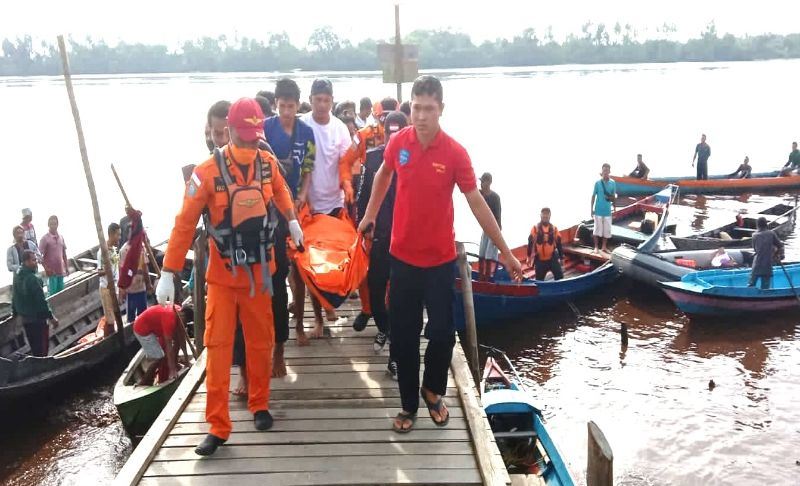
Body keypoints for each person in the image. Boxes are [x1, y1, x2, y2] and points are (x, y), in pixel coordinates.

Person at [358, 75, 523, 433]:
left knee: (444, 333)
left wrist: (507, 253)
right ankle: (407, 406)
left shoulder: (455, 153)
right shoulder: (399, 143)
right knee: (403, 336)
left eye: (428, 109)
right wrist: (369, 215)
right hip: (401, 258)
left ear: (441, 110)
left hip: (439, 261)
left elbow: (476, 202)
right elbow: (384, 173)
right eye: (415, 108)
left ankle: (432, 389)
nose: (420, 116)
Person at [156, 97, 303, 456]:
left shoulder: (267, 165)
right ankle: (218, 425)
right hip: (222, 279)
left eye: (256, 136)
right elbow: (184, 223)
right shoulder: (205, 173)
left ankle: (260, 404)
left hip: (260, 275)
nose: (252, 143)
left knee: (261, 341)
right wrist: (169, 272)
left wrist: (293, 218)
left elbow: (282, 191)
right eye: (245, 136)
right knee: (219, 350)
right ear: (229, 132)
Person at [264, 77, 316, 371]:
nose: (286, 111)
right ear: (275, 105)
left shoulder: (306, 132)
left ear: (298, 106)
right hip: (269, 207)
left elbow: (308, 169)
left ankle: (298, 323)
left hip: (295, 206)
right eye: (282, 106)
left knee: (298, 267)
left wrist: (301, 197)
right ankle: (275, 333)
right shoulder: (266, 129)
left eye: (291, 106)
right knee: (276, 269)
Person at [353, 111, 407, 379]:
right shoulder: (373, 157)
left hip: (407, 241)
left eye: (399, 133)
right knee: (375, 293)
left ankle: (396, 357)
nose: (394, 138)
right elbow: (363, 195)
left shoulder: (416, 157)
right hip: (380, 237)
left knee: (400, 299)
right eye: (390, 133)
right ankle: (383, 327)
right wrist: (362, 225)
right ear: (383, 133)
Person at [300, 78, 353, 334]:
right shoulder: (302, 125)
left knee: (334, 261)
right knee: (311, 265)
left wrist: (348, 185)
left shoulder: (340, 128)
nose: (322, 105)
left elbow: (346, 163)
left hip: (334, 203)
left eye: (326, 100)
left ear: (332, 101)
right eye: (317, 99)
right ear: (310, 100)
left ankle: (330, 302)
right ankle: (319, 318)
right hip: (309, 205)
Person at [11, 250, 58, 357]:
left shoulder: (17, 276)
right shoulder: (33, 279)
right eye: (34, 260)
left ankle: (38, 363)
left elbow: (14, 296)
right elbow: (41, 302)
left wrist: (14, 313)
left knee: (35, 348)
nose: (36, 262)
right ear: (26, 262)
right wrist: (52, 318)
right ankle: (43, 367)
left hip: (26, 321)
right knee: (42, 350)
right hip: (38, 321)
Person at [133, 303, 191, 385]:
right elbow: (169, 345)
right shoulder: (170, 318)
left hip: (156, 328)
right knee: (158, 357)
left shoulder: (178, 312)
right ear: (182, 315)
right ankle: (144, 382)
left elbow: (182, 338)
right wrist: (172, 370)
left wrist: (186, 359)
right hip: (142, 329)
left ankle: (174, 363)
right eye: (185, 321)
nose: (184, 324)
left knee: (177, 339)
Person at [119, 237, 151, 325]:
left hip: (132, 288)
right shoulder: (139, 248)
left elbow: (121, 270)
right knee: (142, 315)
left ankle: (134, 328)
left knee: (131, 318)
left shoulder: (124, 249)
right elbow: (145, 268)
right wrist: (149, 284)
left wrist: (122, 289)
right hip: (136, 288)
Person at [527, 208, 564, 280]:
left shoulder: (554, 229)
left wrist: (561, 257)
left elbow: (559, 244)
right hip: (540, 259)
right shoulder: (535, 228)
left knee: (560, 277)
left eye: (547, 215)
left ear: (550, 216)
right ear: (540, 216)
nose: (545, 217)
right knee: (539, 280)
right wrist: (528, 257)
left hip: (552, 258)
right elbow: (530, 243)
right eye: (543, 215)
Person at [477, 173, 501, 281]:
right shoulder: (479, 194)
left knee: (489, 254)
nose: (482, 184)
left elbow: (498, 216)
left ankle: (487, 278)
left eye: (484, 181)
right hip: (484, 228)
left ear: (489, 183)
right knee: (481, 252)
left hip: (493, 228)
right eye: (481, 181)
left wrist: (497, 235)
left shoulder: (495, 197)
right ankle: (480, 276)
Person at [38, 215, 69, 297]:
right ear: (48, 225)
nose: (53, 226)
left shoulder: (61, 237)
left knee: (61, 294)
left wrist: (67, 267)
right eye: (51, 224)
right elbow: (38, 256)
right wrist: (46, 268)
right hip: (51, 273)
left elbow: (64, 254)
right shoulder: (45, 239)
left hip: (60, 271)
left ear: (57, 224)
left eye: (55, 224)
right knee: (52, 295)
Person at [98, 223, 122, 327]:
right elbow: (99, 272)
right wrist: (107, 270)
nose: (119, 238)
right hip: (107, 289)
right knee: (110, 320)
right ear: (111, 234)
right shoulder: (102, 252)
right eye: (118, 235)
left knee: (116, 316)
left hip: (115, 287)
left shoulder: (114, 249)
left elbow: (116, 269)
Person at [749, 216, 783, 289]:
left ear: (757, 225)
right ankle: (764, 298)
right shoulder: (771, 233)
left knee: (751, 284)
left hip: (757, 264)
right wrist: (776, 254)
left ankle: (749, 298)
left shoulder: (754, 235)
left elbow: (755, 250)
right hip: (767, 263)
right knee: (765, 287)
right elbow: (780, 246)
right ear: (766, 224)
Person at [591, 163, 617, 254]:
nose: (605, 172)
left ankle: (604, 247)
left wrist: (615, 208)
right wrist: (591, 209)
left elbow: (613, 197)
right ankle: (596, 247)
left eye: (607, 170)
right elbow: (593, 196)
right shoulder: (597, 183)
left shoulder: (613, 183)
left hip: (607, 211)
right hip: (598, 210)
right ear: (602, 171)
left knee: (607, 230)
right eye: (604, 170)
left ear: (609, 171)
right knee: (597, 230)